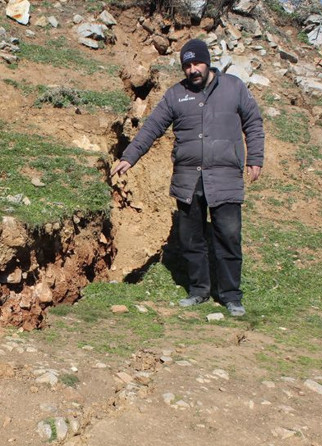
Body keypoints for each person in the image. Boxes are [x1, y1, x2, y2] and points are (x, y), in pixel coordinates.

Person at [110, 38, 264, 316]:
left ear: (208, 62)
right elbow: (152, 128)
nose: (193, 69)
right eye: (187, 65)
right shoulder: (175, 95)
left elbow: (253, 123)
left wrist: (255, 159)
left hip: (225, 177)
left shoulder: (233, 87)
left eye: (197, 63)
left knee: (228, 237)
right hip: (188, 180)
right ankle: (199, 291)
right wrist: (129, 156)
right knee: (191, 238)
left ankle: (231, 296)